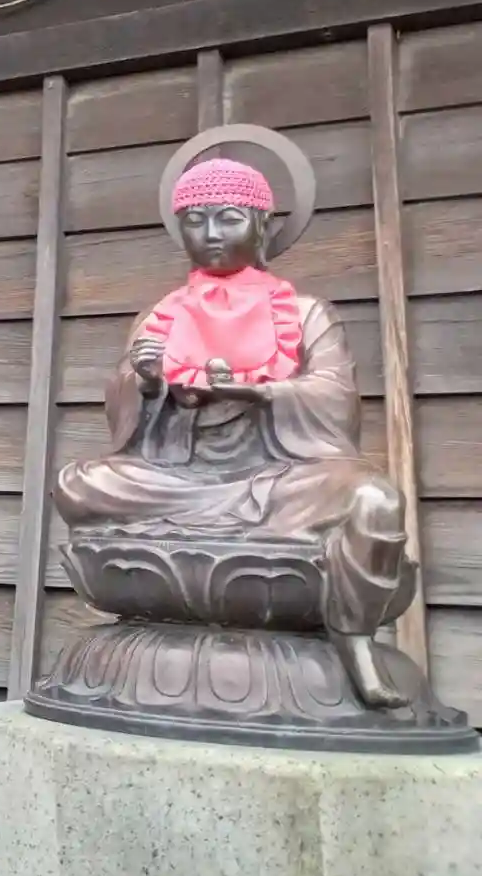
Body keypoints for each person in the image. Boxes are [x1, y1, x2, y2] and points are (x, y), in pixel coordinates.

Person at [53, 157, 412, 707]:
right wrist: (145, 382)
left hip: (280, 478)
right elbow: (127, 421)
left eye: (228, 218)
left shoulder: (307, 313)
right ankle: (226, 550)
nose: (212, 234)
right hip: (181, 481)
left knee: (375, 500)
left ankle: (354, 634)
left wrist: (258, 392)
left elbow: (334, 398)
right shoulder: (161, 317)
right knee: (78, 483)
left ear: (262, 225)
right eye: (195, 221)